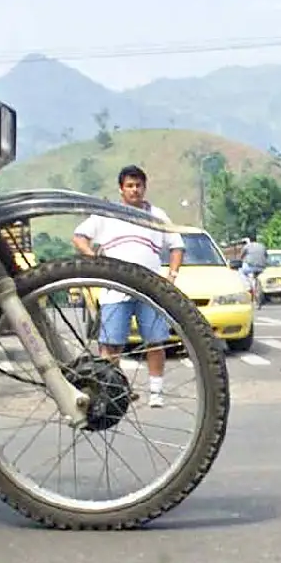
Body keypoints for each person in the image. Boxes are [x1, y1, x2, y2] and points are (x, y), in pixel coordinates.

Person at [71, 166, 183, 409]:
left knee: (156, 341)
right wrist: (93, 257)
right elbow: (79, 236)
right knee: (111, 345)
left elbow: (176, 245)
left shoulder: (157, 215)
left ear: (145, 187)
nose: (135, 190)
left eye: (138, 185)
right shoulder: (107, 214)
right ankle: (114, 391)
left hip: (150, 289)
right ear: (121, 189)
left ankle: (156, 392)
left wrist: (172, 275)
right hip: (115, 288)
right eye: (130, 186)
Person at [240, 235, 269, 301]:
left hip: (251, 267)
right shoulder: (262, 246)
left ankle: (248, 287)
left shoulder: (247, 246)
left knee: (241, 271)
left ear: (249, 240)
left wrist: (242, 259)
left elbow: (241, 256)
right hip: (262, 267)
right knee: (256, 276)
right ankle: (257, 286)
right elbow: (266, 255)